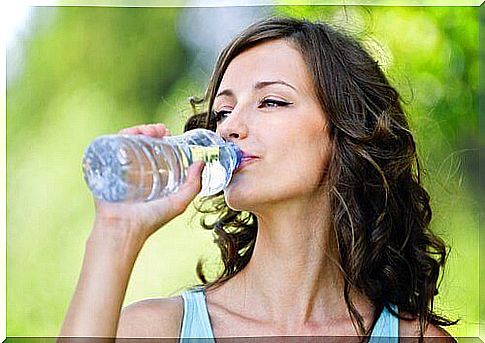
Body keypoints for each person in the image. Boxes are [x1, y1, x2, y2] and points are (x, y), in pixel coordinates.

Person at [59, 17, 458, 342]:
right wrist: (115, 233)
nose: (231, 126)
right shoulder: (156, 330)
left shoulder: (415, 339)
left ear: (348, 133)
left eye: (271, 101)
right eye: (222, 111)